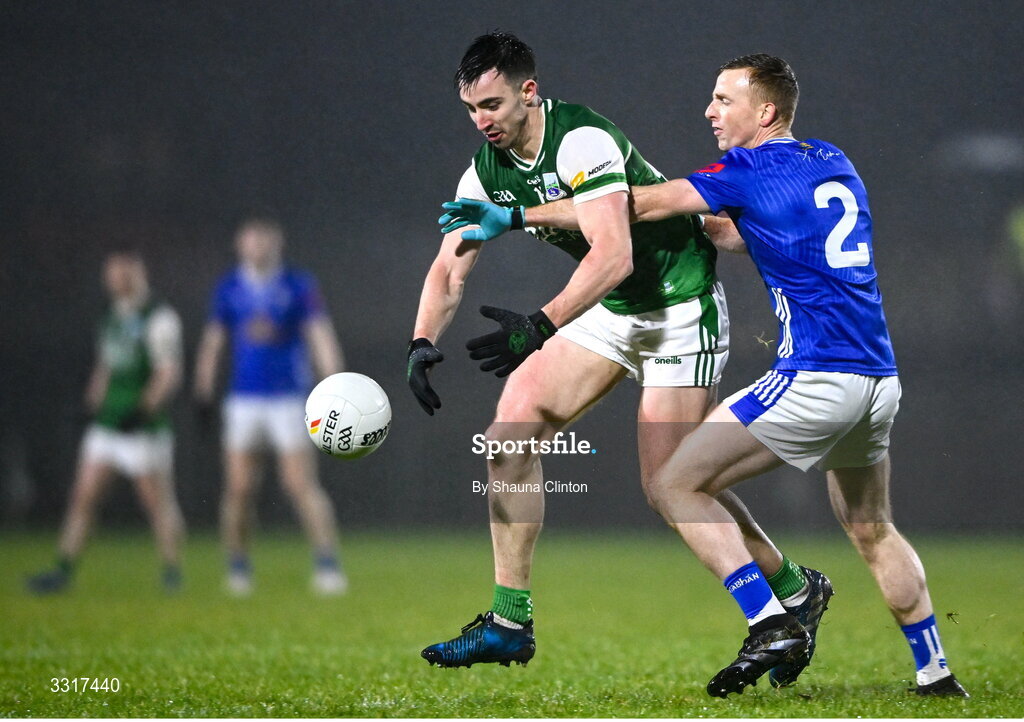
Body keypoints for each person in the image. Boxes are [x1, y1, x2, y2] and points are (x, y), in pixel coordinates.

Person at [442, 54, 968, 698]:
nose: (710, 112)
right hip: (880, 381)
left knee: (674, 483)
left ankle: (772, 620)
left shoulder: (746, 168)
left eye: (724, 100)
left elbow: (631, 204)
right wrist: (718, 222)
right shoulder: (833, 162)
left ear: (765, 112)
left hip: (816, 377)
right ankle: (935, 673)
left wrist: (519, 215)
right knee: (871, 527)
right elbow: (743, 232)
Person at [410, 32, 831, 682]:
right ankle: (508, 621)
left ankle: (784, 602)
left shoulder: (581, 140)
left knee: (671, 486)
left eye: (492, 104)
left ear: (529, 91)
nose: (482, 121)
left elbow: (614, 254)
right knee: (507, 435)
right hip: (610, 313)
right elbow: (449, 267)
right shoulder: (484, 172)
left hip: (679, 307)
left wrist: (538, 326)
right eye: (471, 109)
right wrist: (421, 342)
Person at [194, 217, 348, 596]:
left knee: (299, 483)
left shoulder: (298, 285)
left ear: (277, 241)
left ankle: (327, 564)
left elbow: (320, 335)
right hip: (243, 400)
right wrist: (202, 390)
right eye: (251, 238)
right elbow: (213, 342)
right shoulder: (229, 288)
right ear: (239, 243)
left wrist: (336, 382)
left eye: (264, 238)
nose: (257, 245)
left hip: (289, 398)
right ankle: (238, 566)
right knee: (239, 487)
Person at [27, 250, 185, 594]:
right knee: (83, 496)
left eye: (121, 272)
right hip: (107, 426)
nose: (114, 279)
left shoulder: (158, 317)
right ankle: (63, 570)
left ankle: (172, 571)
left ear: (137, 272)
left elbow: (168, 372)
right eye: (110, 272)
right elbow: (106, 366)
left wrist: (142, 410)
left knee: (156, 502)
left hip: (142, 429)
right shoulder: (112, 315)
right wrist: (91, 405)